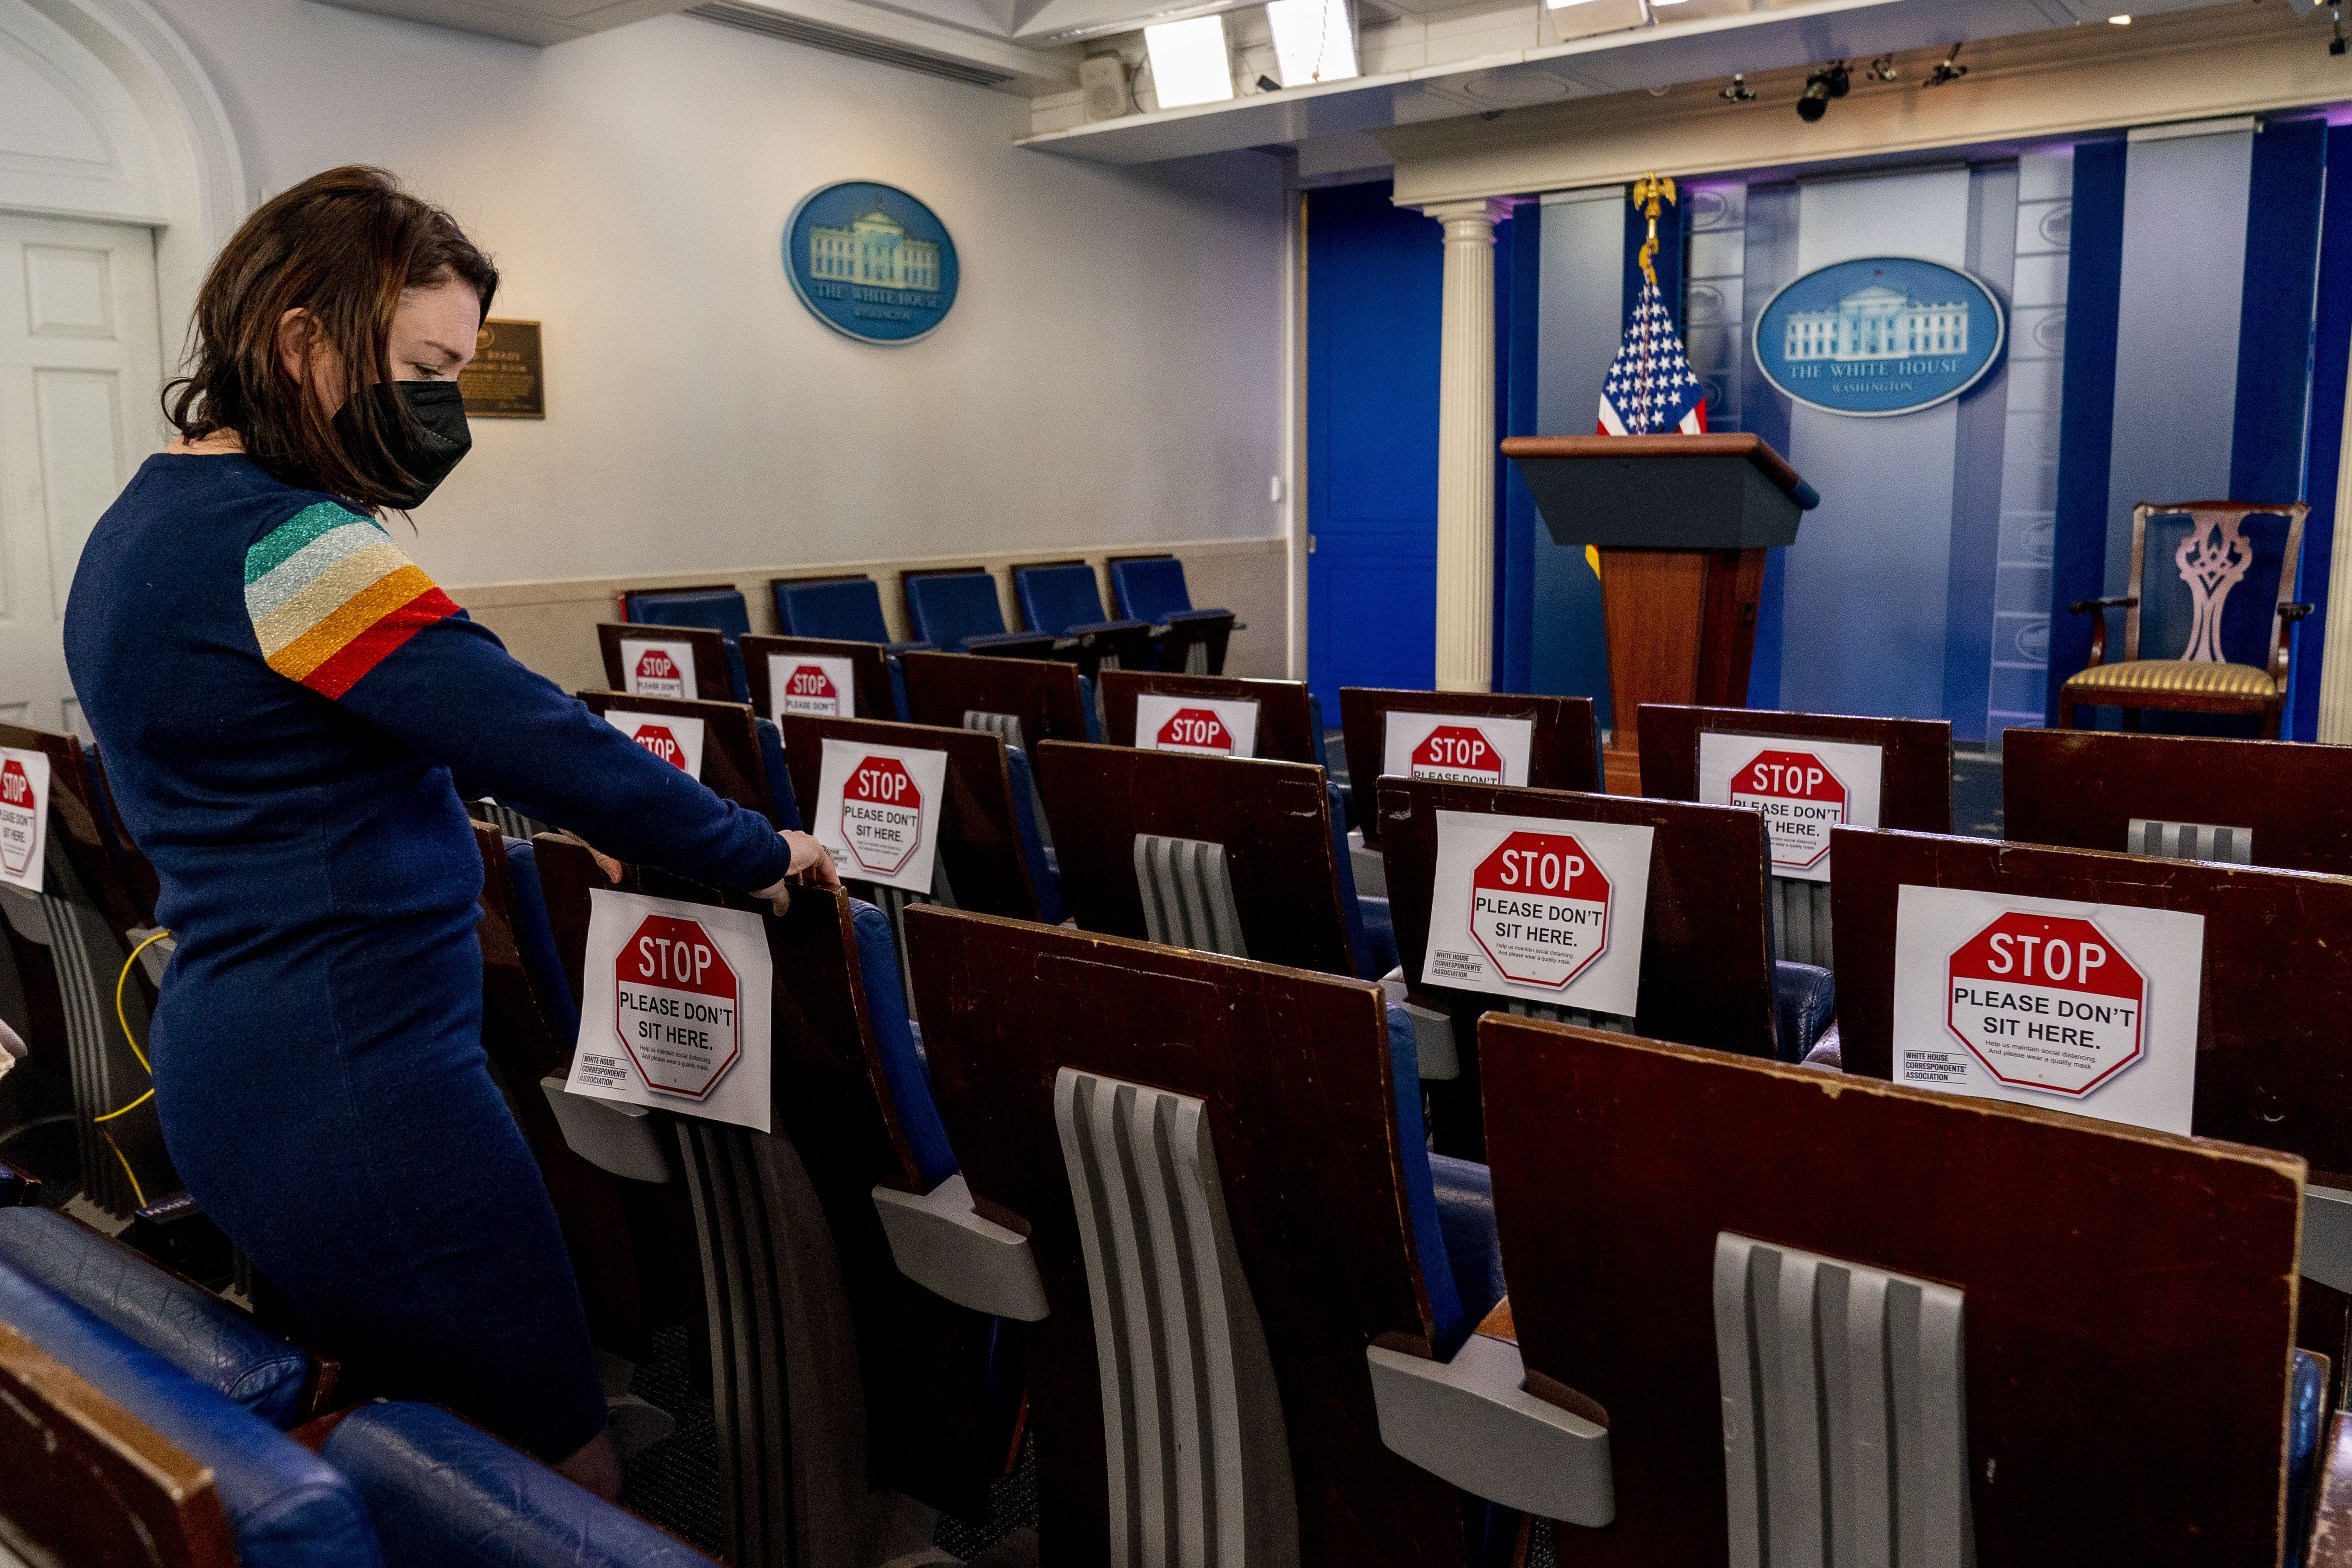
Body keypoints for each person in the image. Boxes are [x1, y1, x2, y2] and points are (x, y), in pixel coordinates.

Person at [62, 166, 834, 1496]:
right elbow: (538, 730)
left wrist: (495, 800)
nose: (441, 407)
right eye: (423, 365)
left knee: (415, 1444)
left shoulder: (141, 521)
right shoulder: (292, 546)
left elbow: (290, 750)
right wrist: (759, 852)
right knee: (550, 1480)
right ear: (302, 338)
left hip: (240, 1055)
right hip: (363, 1083)